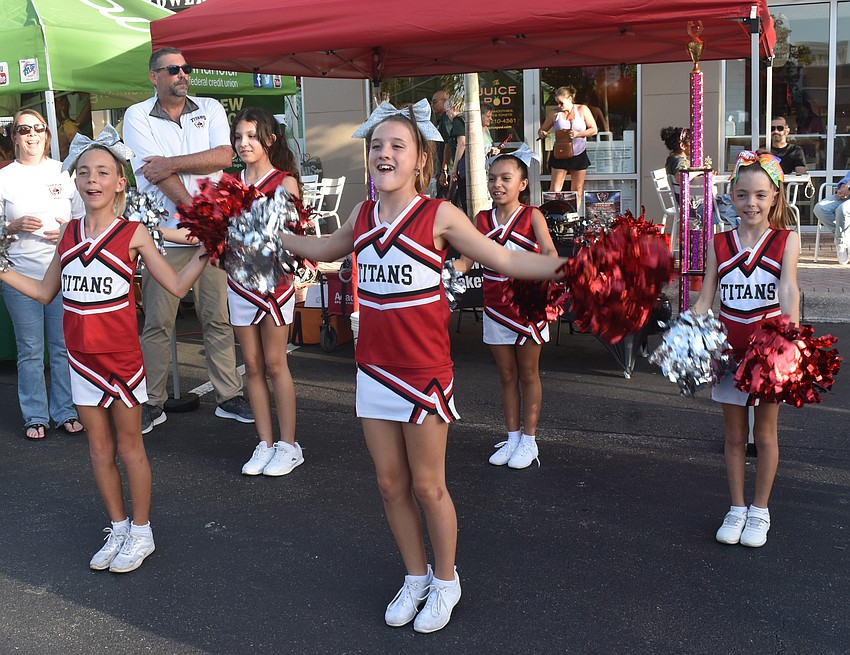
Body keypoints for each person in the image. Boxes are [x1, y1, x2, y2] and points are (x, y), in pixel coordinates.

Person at [279, 102, 565, 633]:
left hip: (424, 373)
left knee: (429, 486)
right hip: (373, 370)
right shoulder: (363, 218)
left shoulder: (440, 215)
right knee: (389, 485)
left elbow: (503, 260)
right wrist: (268, 235)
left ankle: (447, 579)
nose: (384, 153)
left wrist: (568, 266)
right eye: (377, 146)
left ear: (420, 162)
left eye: (397, 146)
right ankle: (415, 576)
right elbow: (324, 249)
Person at [0, 129, 210, 572]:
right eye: (84, 172)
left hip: (120, 362)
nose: (92, 179)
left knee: (130, 447)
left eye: (103, 172)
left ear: (120, 183)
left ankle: (141, 530)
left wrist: (208, 252)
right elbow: (42, 291)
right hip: (80, 360)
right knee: (98, 449)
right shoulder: (69, 233)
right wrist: (1, 269)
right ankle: (117, 526)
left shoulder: (133, 233)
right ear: (75, 180)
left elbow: (173, 286)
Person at [123, 47, 253, 433]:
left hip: (209, 234)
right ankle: (153, 401)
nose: (183, 74)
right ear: (154, 77)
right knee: (159, 323)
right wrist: (200, 214)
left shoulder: (209, 107)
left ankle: (228, 396)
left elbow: (222, 156)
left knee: (217, 318)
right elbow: (153, 173)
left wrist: (174, 162)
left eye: (186, 68)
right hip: (164, 236)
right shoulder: (136, 115)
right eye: (173, 69)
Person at [692, 150, 800, 549]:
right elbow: (707, 296)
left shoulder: (786, 240)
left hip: (767, 354)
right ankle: (736, 507)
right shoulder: (720, 243)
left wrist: (789, 338)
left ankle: (760, 511)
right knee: (734, 435)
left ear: (774, 196)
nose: (750, 203)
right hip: (729, 354)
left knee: (766, 434)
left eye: (759, 195)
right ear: (731, 197)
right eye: (741, 195)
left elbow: (789, 289)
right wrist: (690, 331)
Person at [453, 149, 557, 469]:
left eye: (505, 178)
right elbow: (465, 260)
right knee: (506, 375)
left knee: (528, 374)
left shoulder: (532, 216)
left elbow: (550, 254)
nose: (497, 184)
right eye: (492, 178)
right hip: (496, 309)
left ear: (522, 183)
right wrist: (435, 274)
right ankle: (511, 437)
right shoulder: (481, 220)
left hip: (527, 310)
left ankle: (529, 441)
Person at [228, 107, 305, 477]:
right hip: (238, 285)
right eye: (239, 137)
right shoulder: (230, 183)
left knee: (275, 364)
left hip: (274, 286)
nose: (244, 143)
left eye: (252, 136)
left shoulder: (284, 182)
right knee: (252, 366)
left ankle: (289, 445)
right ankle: (264, 442)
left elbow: (294, 238)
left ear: (269, 140)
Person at [0, 109, 84, 440]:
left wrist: (66, 232)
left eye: (38, 128)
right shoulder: (4, 177)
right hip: (20, 278)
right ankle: (35, 414)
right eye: (24, 129)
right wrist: (11, 226)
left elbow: (83, 221)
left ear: (47, 135)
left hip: (62, 274)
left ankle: (65, 410)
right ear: (14, 137)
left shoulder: (64, 172)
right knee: (31, 349)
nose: (31, 134)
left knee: (62, 347)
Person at [537, 86, 598, 212]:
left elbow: (594, 129)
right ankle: (553, 216)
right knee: (554, 189)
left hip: (579, 152)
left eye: (561, 102)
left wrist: (578, 134)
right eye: (557, 103)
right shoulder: (555, 113)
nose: (559, 105)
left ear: (570, 99)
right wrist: (542, 133)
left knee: (577, 190)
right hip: (561, 153)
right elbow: (542, 129)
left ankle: (573, 216)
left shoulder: (582, 109)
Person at [812, 170, 850, 265]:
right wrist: (842, 186)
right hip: (846, 194)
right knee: (820, 208)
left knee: (843, 209)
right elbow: (847, 177)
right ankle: (843, 236)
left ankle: (840, 242)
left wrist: (848, 189)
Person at [660, 126, 691, 200]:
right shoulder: (679, 161)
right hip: (690, 205)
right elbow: (680, 177)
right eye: (693, 143)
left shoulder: (672, 159)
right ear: (682, 146)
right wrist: (700, 171)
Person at [431, 90, 452, 199]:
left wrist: (444, 169)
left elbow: (448, 144)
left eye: (435, 102)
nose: (432, 105)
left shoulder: (446, 120)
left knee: (443, 201)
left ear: (444, 102)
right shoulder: (439, 120)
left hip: (448, 170)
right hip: (441, 169)